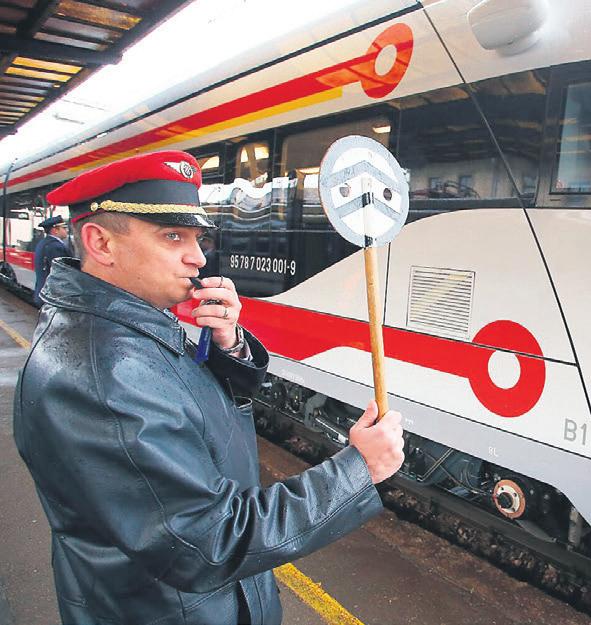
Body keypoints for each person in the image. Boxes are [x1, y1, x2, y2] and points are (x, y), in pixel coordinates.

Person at [13, 150, 405, 625]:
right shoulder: (103, 374)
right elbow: (208, 543)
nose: (198, 257)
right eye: (172, 236)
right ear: (101, 243)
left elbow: (191, 419)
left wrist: (228, 347)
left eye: (197, 238)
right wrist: (358, 469)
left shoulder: (124, 327)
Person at [31, 215, 70, 306]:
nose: (67, 230)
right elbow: (62, 273)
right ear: (55, 230)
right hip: (53, 297)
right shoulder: (55, 247)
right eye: (64, 228)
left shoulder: (43, 243)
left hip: (44, 293)